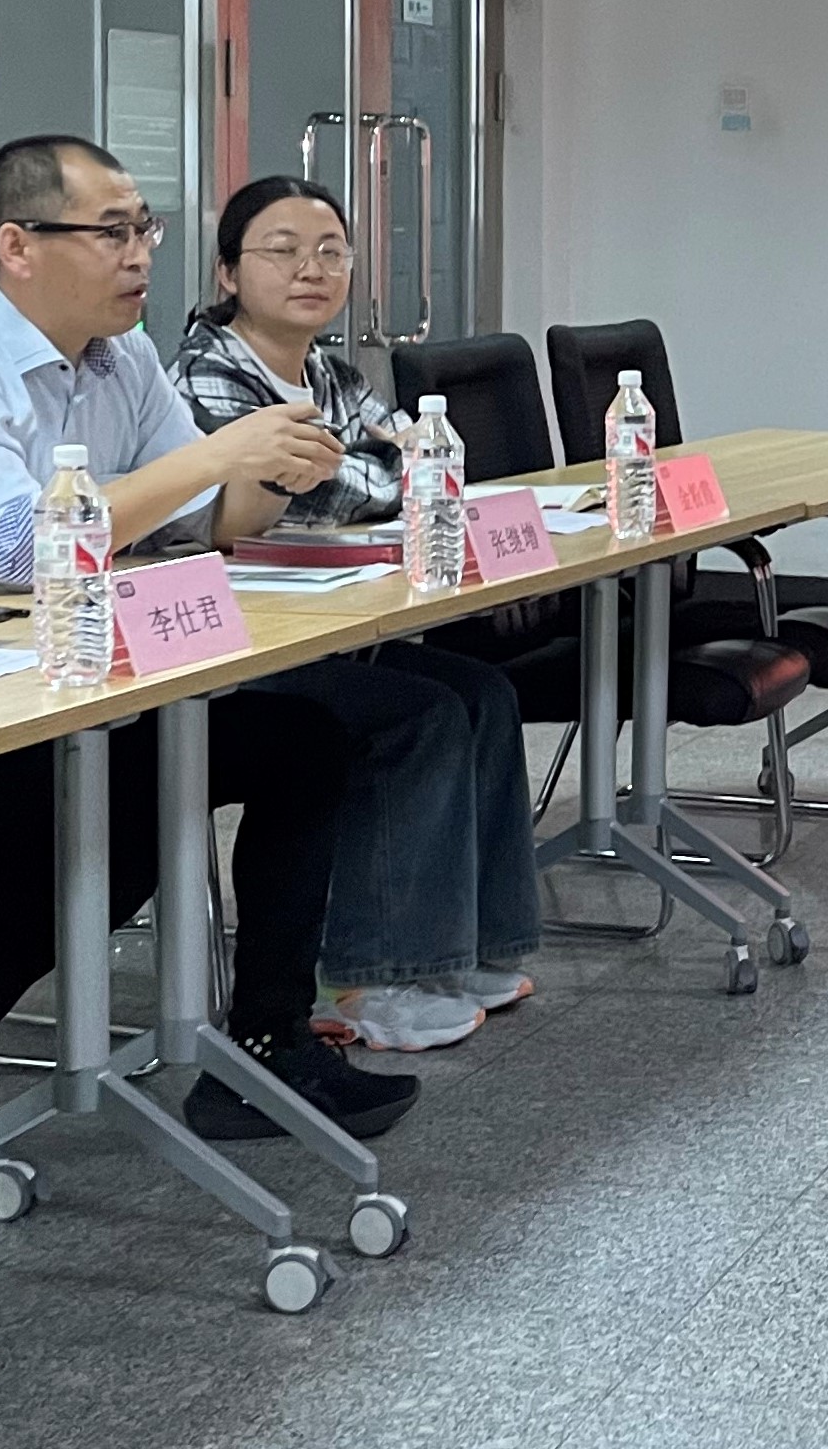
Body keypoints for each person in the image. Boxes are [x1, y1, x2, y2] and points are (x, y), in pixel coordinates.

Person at [0, 135, 421, 1139]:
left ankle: (264, 1047)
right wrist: (220, 453)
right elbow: (17, 549)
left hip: (70, 688)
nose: (141, 253)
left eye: (145, 229)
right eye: (112, 232)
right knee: (114, 822)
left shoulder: (123, 355)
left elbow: (205, 520)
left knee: (296, 746)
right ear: (18, 245)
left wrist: (279, 463)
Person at [169, 175, 539, 1051]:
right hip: (234, 643)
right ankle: (370, 979)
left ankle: (464, 948)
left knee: (482, 693)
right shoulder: (208, 371)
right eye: (283, 250)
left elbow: (417, 458)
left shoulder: (328, 371)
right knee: (418, 715)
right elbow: (338, 488)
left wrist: (382, 472)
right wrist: (386, 474)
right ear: (227, 272)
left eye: (331, 252)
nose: (312, 268)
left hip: (315, 617)